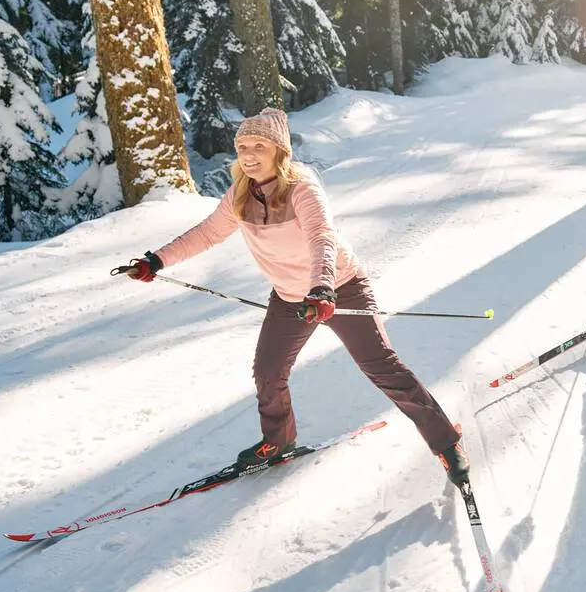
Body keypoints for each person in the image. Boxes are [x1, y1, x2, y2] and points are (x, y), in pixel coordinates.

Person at [124, 108, 470, 484]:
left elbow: (321, 237)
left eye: (259, 145)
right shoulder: (241, 193)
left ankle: (446, 442)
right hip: (291, 298)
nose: (249, 154)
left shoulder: (302, 187)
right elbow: (207, 233)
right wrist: (157, 260)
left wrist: (322, 287)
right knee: (268, 372)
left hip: (339, 289)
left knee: (384, 368)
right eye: (242, 146)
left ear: (280, 151)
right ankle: (279, 442)